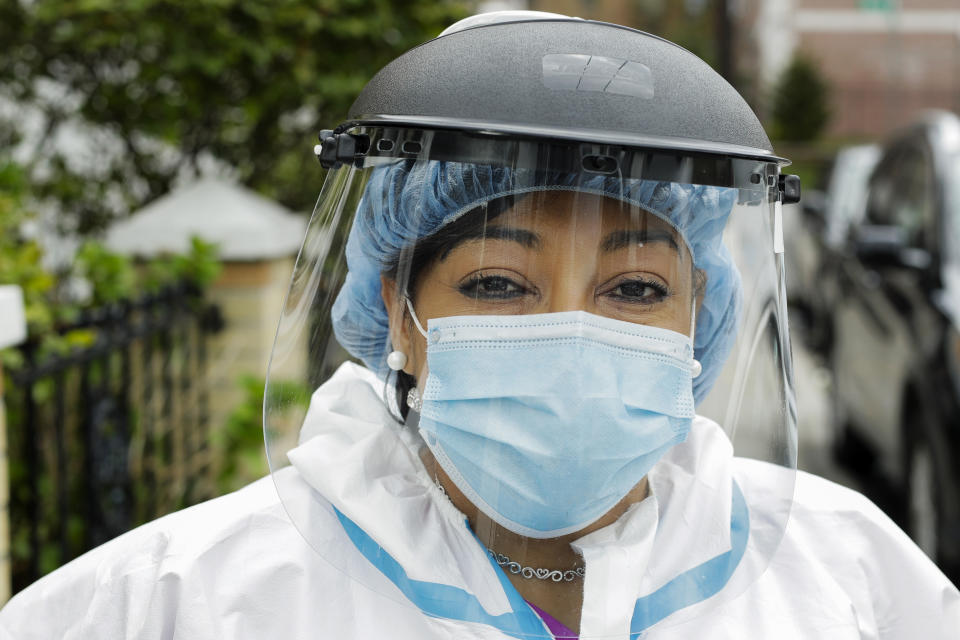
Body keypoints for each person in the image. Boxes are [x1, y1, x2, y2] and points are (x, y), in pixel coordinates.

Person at [2, 11, 958, 640]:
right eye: (500, 284)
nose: (575, 331)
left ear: (699, 318)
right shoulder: (184, 603)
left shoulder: (848, 577)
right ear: (397, 312)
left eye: (633, 291)